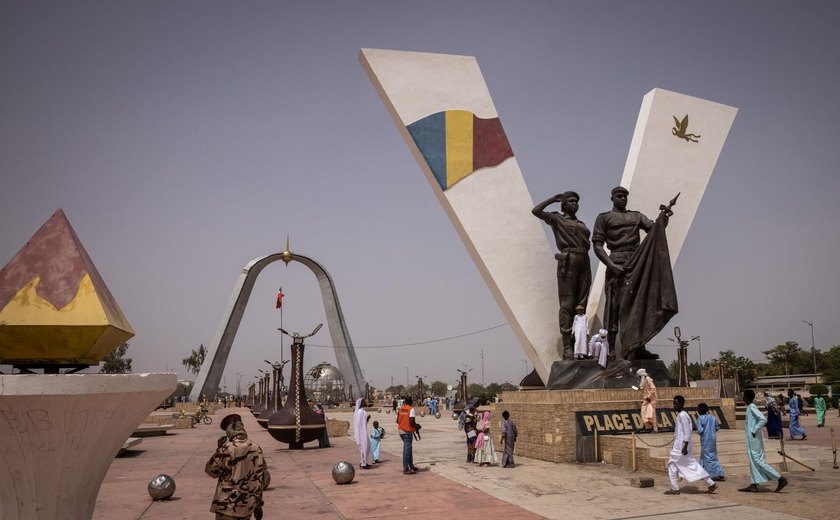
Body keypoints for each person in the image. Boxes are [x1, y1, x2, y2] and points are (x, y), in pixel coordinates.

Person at [593, 186, 671, 360]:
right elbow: (597, 246)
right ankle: (611, 349)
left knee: (638, 306)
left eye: (625, 196)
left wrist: (663, 219)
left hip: (637, 263)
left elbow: (655, 229)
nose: (622, 199)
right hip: (616, 264)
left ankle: (639, 346)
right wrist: (611, 265)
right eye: (619, 196)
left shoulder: (636, 216)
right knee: (613, 308)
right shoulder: (604, 218)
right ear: (612, 198)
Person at [532, 191, 592, 359]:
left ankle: (580, 346)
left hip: (584, 260)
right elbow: (536, 211)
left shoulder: (581, 223)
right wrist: (552, 199)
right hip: (568, 259)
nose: (575, 204)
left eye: (577, 201)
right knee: (567, 304)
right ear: (564, 204)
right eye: (571, 201)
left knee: (581, 304)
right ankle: (567, 347)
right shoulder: (557, 218)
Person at [205, 414, 268, 519]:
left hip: (228, 506)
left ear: (229, 430)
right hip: (248, 506)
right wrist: (258, 505)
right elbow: (261, 478)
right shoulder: (256, 448)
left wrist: (219, 450)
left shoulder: (227, 448)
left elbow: (211, 471)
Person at [664, 395, 717, 495]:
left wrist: (685, 446)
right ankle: (710, 483)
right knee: (688, 465)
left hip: (682, 445)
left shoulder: (683, 415)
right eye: (674, 403)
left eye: (676, 403)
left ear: (682, 404)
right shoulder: (681, 415)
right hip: (680, 444)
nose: (674, 405)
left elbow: (687, 432)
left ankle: (675, 489)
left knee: (672, 464)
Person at [740, 389, 789, 493]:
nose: (742, 397)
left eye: (744, 395)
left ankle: (780, 478)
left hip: (754, 438)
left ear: (747, 397)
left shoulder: (752, 407)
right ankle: (754, 484)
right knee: (753, 461)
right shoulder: (749, 407)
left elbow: (763, 419)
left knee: (758, 461)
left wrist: (754, 429)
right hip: (751, 439)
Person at [696, 403, 724, 481]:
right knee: (712, 456)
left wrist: (699, 432)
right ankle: (702, 472)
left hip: (705, 440)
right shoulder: (712, 417)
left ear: (700, 410)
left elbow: (700, 430)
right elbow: (717, 427)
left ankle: (713, 474)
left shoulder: (700, 418)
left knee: (708, 457)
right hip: (712, 439)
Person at [397, 395, 419, 474]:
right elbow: (412, 422)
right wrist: (417, 426)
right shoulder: (411, 409)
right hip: (407, 432)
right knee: (407, 450)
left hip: (401, 431)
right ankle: (406, 468)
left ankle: (411, 465)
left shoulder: (401, 409)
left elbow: (397, 420)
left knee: (408, 449)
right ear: (411, 402)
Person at [353, 398, 372, 469]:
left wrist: (367, 419)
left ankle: (365, 462)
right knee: (363, 448)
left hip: (364, 431)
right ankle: (363, 463)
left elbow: (363, 422)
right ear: (361, 403)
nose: (365, 402)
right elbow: (358, 424)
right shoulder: (359, 412)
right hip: (361, 433)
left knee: (367, 446)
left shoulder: (363, 411)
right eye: (364, 402)